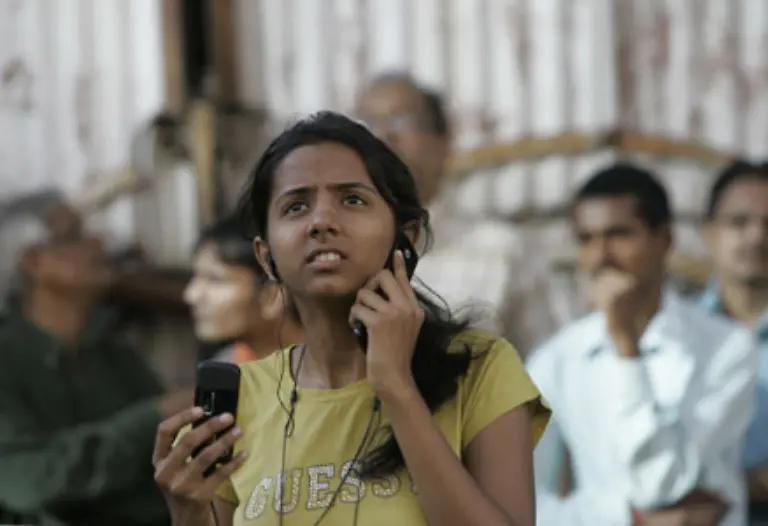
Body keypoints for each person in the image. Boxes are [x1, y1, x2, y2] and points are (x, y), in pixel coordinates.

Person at [152, 111, 551, 526]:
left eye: (352, 200)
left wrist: (396, 387)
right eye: (296, 206)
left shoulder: (479, 368)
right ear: (265, 256)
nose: (322, 222)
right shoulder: (238, 402)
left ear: (407, 237)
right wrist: (189, 514)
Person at [528, 163, 757, 526]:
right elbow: (520, 501)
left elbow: (662, 484)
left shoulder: (725, 350)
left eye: (619, 235)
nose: (601, 256)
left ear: (665, 239)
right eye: (586, 239)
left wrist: (625, 348)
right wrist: (625, 518)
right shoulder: (556, 359)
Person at [355, 73, 561, 354]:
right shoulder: (342, 251)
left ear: (445, 141)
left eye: (402, 120)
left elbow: (547, 366)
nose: (384, 135)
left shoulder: (502, 250)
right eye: (368, 124)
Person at [0, 235, 193, 526]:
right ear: (34, 261)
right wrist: (156, 415)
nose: (97, 245)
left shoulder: (115, 354)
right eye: (74, 235)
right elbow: (29, 481)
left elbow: (171, 459)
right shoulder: (8, 360)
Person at [697, 160, 768, 523]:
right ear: (708, 233)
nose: (757, 236)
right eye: (739, 222)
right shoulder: (673, 336)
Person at [184, 214, 303, 363]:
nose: (191, 295)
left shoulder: (332, 374)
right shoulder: (227, 369)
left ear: (273, 296)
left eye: (215, 280)